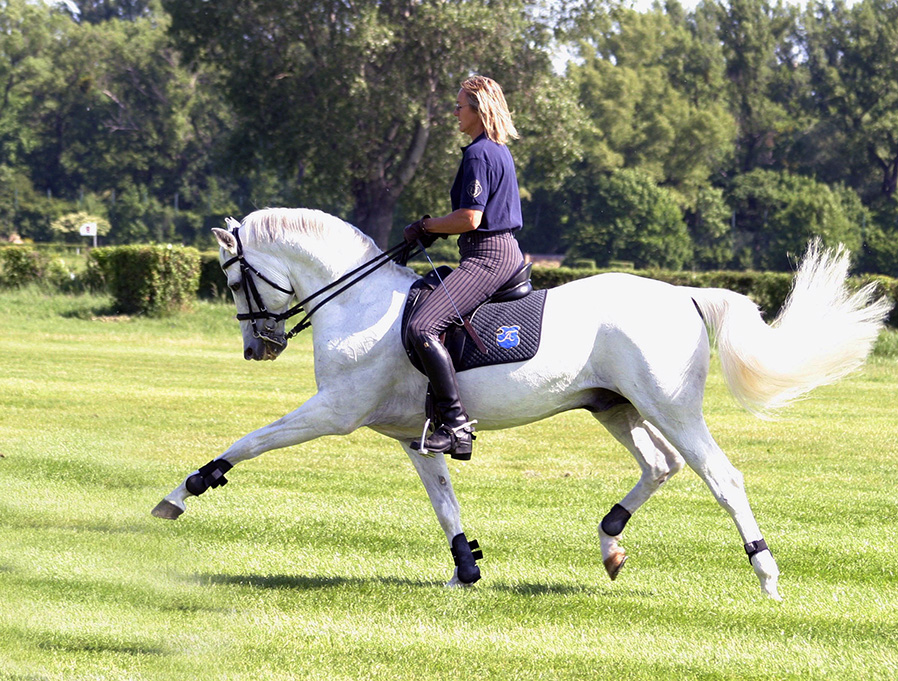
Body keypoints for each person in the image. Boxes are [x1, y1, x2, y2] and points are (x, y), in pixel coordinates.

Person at [404, 75, 525, 459]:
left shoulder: (478, 154)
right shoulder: (497, 150)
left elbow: (471, 218)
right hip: (496, 249)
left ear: (478, 110)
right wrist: (437, 231)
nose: (454, 112)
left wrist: (426, 226)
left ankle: (455, 426)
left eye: (460, 106)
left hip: (489, 255)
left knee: (422, 326)